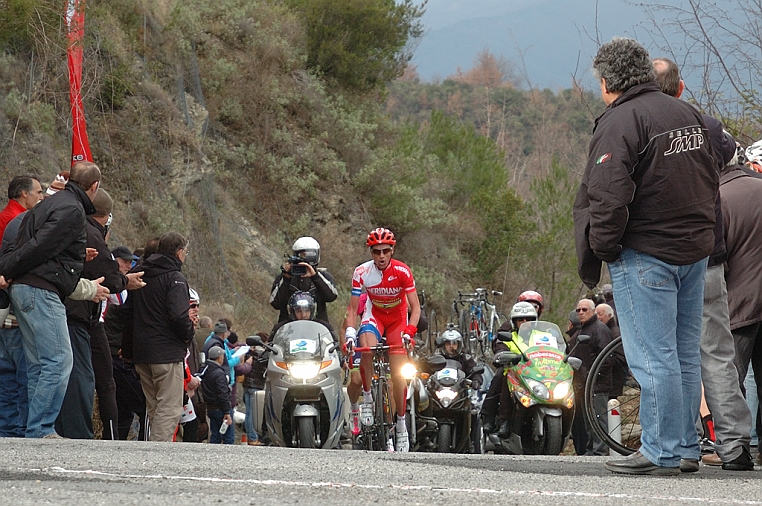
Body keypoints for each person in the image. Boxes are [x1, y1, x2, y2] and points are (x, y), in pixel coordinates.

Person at [574, 38, 717, 475]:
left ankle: (660, 449)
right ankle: (687, 447)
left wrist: (606, 247)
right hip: (693, 250)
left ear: (605, 82)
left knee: (653, 357)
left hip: (646, 253)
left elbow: (608, 193)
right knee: (684, 354)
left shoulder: (621, 120)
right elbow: (712, 173)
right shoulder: (688, 114)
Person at [653, 56, 754, 472]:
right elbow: (730, 153)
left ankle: (679, 442)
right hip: (707, 253)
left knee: (662, 352)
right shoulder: (707, 126)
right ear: (680, 88)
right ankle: (734, 445)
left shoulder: (633, 124)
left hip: (655, 253)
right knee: (717, 352)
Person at [0, 161, 103, 438]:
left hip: (25, 288)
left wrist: (11, 270)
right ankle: (42, 428)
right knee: (58, 360)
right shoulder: (71, 209)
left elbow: (38, 244)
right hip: (41, 289)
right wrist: (8, 267)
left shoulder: (48, 204)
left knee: (38, 364)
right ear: (94, 187)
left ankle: (34, 428)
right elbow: (40, 247)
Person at [344, 227, 420, 452]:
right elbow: (353, 307)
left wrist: (410, 330)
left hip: (397, 318)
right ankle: (367, 398)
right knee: (366, 348)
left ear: (392, 250)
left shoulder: (402, 271)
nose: (381, 256)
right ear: (371, 252)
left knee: (398, 375)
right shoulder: (361, 272)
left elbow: (415, 308)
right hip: (374, 314)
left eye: (385, 251)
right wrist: (350, 332)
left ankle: (401, 425)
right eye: (376, 252)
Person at [121, 232, 196, 442]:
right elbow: (179, 316)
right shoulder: (175, 278)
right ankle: (158, 454)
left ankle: (152, 448)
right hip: (166, 353)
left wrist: (127, 350)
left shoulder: (138, 274)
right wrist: (188, 335)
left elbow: (128, 314)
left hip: (141, 353)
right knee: (170, 407)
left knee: (154, 406)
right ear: (180, 252)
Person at [718, 138, 762, 469]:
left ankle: (737, 449)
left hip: (740, 302)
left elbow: (718, 259)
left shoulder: (719, 199)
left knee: (731, 377)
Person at [0, 175, 44, 438]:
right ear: (23, 194)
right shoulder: (18, 222)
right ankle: (19, 431)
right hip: (15, 313)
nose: (41, 197)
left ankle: (6, 431)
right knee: (23, 375)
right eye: (38, 192)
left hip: (6, 314)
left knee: (6, 375)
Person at [482, 301, 536, 437]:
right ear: (514, 322)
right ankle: (503, 419)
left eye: (528, 319)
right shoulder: (509, 336)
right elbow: (500, 347)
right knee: (505, 377)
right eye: (520, 319)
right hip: (516, 372)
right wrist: (502, 355)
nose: (524, 322)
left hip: (538, 373)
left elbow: (556, 348)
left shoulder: (543, 337)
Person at [570, 298, 613, 456]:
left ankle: (600, 451)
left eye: (584, 309)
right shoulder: (581, 330)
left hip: (597, 385)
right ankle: (590, 451)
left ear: (593, 311)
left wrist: (593, 377)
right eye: (578, 310)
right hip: (583, 385)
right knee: (588, 421)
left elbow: (606, 359)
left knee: (599, 419)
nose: (581, 312)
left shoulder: (599, 329)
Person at [269, 237, 338, 325]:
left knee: (333, 337)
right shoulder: (284, 277)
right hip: (287, 330)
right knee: (272, 336)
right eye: (302, 255)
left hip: (319, 329)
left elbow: (331, 296)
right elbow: (275, 303)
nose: (306, 261)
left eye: (310, 256)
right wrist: (286, 278)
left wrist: (315, 276)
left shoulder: (323, 276)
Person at [199, 346, 233, 445]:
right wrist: (227, 412)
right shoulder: (219, 373)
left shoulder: (205, 370)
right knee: (228, 438)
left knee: (215, 436)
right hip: (221, 409)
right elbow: (223, 394)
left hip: (210, 408)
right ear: (219, 357)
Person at [242, 331, 268, 446]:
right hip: (256, 386)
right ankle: (253, 437)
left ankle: (250, 437)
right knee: (254, 413)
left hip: (247, 385)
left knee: (248, 412)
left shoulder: (247, 352)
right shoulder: (262, 354)